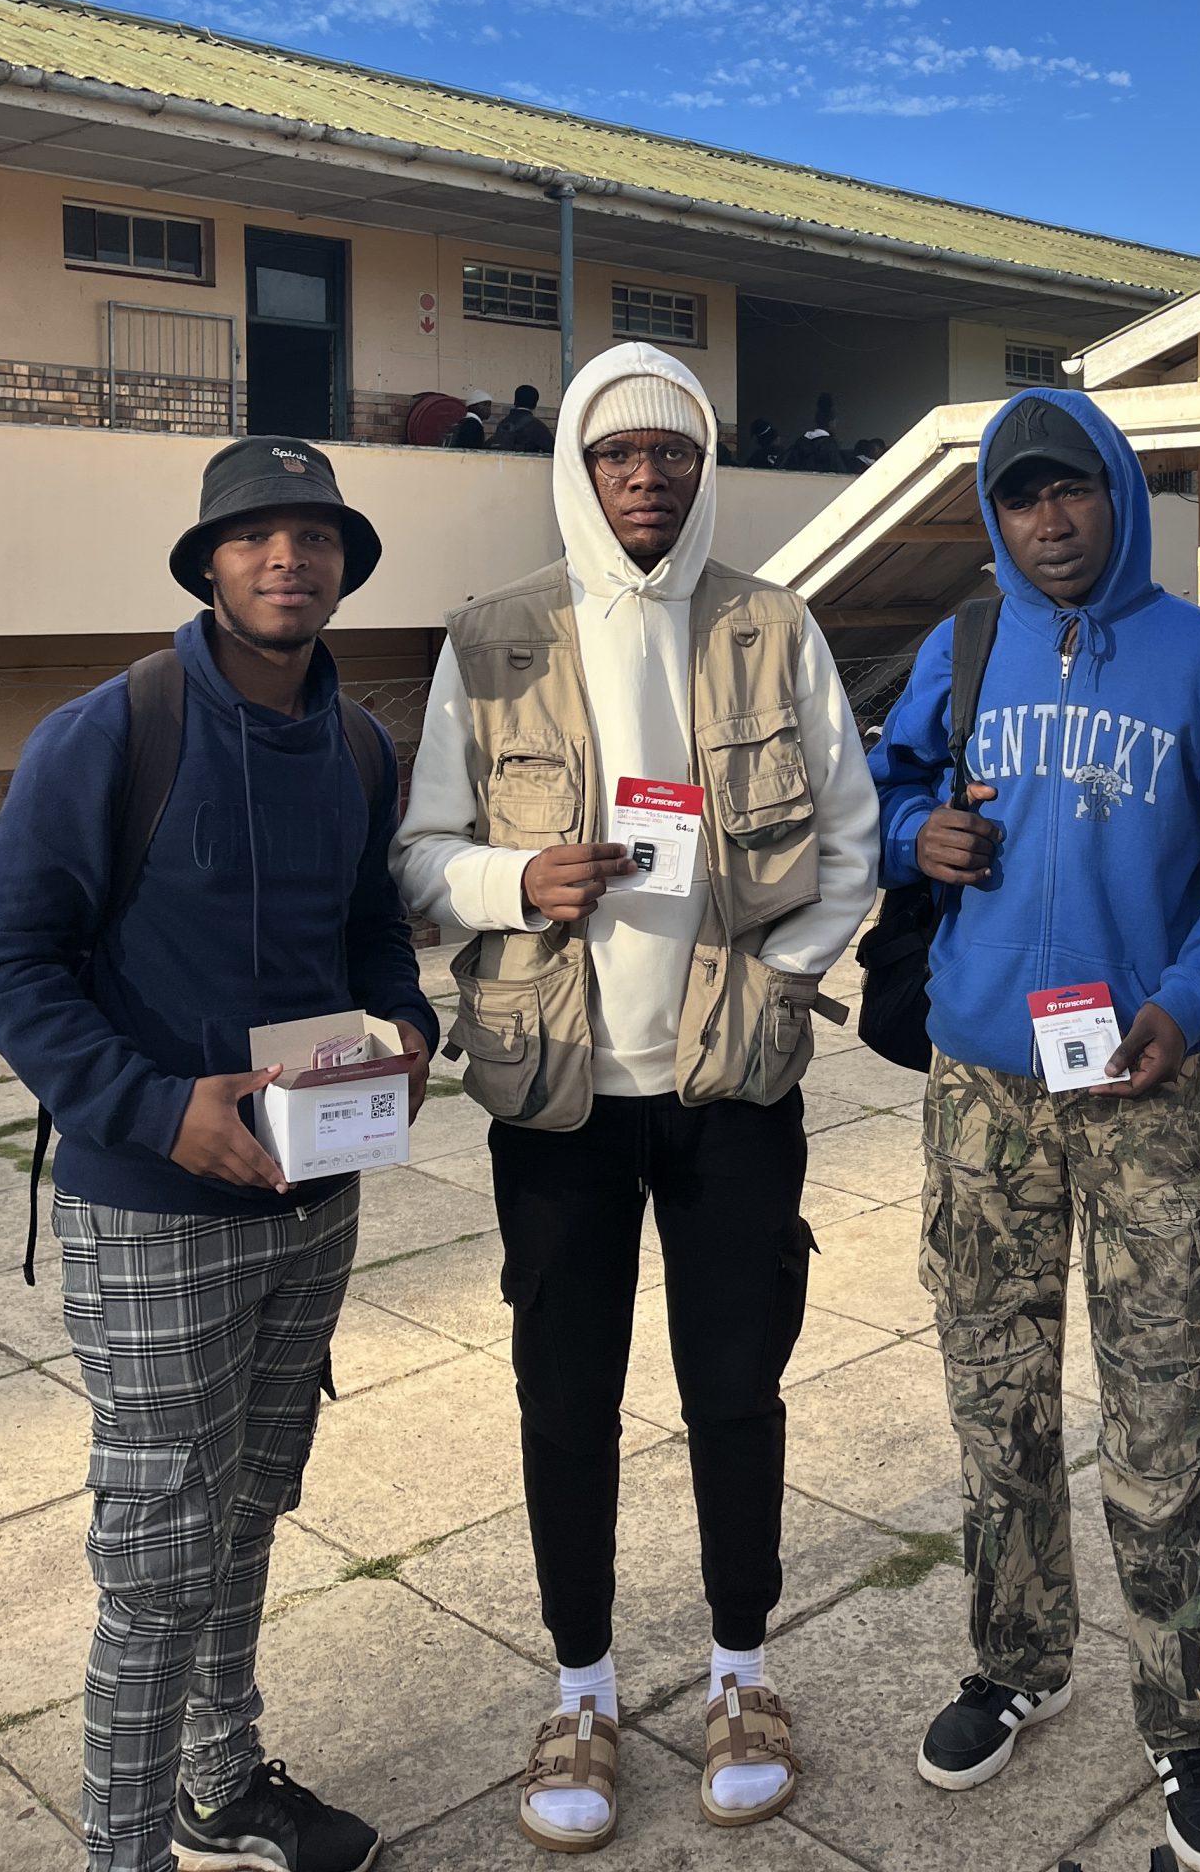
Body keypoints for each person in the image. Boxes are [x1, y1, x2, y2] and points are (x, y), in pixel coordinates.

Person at [393, 340, 878, 1849]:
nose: (648, 477)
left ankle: (743, 1669)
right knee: (567, 1405)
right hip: (560, 1099)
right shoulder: (492, 638)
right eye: (620, 455)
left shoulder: (772, 628)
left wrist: (780, 978)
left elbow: (850, 846)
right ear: (581, 471)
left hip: (731, 1091)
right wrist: (511, 876)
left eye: (673, 452)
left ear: (703, 465)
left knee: (736, 1392)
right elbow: (418, 863)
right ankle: (584, 1688)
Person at [0, 436, 438, 1872]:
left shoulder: (358, 744)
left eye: (314, 535)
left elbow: (365, 936)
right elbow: (0, 956)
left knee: (248, 1511)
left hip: (313, 1190)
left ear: (344, 566)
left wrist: (404, 1023)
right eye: (256, 536)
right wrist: (161, 1108)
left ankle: (222, 1781)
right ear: (208, 564)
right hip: (152, 1205)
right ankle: (123, 1851)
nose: (287, 558)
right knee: (159, 1562)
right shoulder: (113, 731)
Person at [868, 388, 1200, 1872]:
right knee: (998, 1404)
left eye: (1072, 492)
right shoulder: (964, 644)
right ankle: (1015, 1662)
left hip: (1145, 1091)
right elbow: (897, 783)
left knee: (1163, 1415)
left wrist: (1193, 1001)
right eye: (1019, 498)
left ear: (1117, 494)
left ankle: (1185, 1717)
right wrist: (909, 835)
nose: (1048, 519)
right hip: (982, 1091)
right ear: (995, 517)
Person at [780, 394, 850, 473]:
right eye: (835, 422)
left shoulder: (801, 441)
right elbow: (840, 472)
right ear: (831, 423)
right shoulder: (829, 445)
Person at [492, 383, 555, 457]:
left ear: (515, 401)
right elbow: (552, 449)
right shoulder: (536, 426)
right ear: (535, 404)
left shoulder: (503, 423)